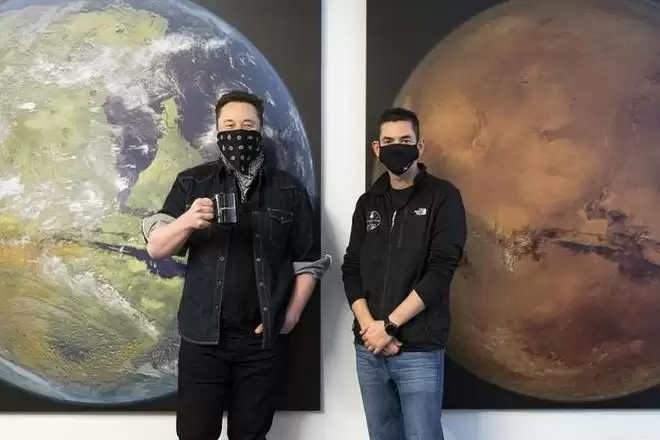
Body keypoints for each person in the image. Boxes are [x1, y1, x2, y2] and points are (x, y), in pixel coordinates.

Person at [141, 90, 330, 440]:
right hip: (202, 339)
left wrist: (290, 316)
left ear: (260, 130)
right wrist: (187, 220)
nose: (238, 133)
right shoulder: (192, 182)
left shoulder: (289, 190)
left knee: (251, 435)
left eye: (247, 126)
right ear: (217, 131)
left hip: (261, 343)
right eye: (229, 126)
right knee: (195, 435)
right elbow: (157, 247)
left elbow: (308, 262)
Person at [341, 107, 467, 440]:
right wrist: (371, 329)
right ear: (377, 148)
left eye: (405, 140)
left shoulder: (443, 197)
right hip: (369, 349)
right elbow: (351, 268)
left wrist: (390, 326)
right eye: (389, 141)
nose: (397, 147)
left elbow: (440, 271)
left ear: (419, 146)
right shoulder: (368, 203)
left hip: (419, 349)